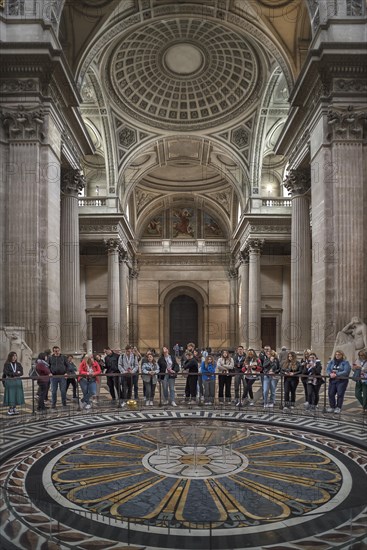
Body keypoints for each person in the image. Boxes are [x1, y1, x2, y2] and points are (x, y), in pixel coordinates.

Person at [3, 351, 25, 415]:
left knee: (16, 395)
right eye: (13, 356)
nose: (14, 357)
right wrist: (15, 373)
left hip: (17, 382)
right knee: (11, 395)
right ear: (10, 357)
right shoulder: (7, 364)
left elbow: (21, 372)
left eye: (15, 356)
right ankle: (10, 408)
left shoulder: (18, 364)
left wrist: (14, 374)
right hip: (10, 381)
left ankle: (14, 408)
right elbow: (6, 372)